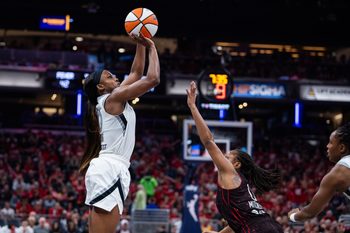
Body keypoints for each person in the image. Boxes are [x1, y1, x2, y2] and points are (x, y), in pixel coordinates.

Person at [79, 33, 160, 233]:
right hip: (110, 169)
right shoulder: (113, 97)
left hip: (111, 168)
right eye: (109, 76)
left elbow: (136, 71)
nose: (115, 77)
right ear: (100, 87)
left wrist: (139, 44)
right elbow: (152, 78)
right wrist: (151, 46)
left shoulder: (111, 97)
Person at [186, 81, 283, 233]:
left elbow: (208, 141)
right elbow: (236, 224)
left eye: (228, 156)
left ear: (236, 165)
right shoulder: (239, 187)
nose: (223, 156)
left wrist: (193, 106)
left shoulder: (230, 173)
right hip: (268, 227)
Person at [288, 122, 350, 222]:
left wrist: (292, 216)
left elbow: (309, 213)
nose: (327, 146)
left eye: (330, 142)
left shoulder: (338, 173)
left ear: (342, 148)